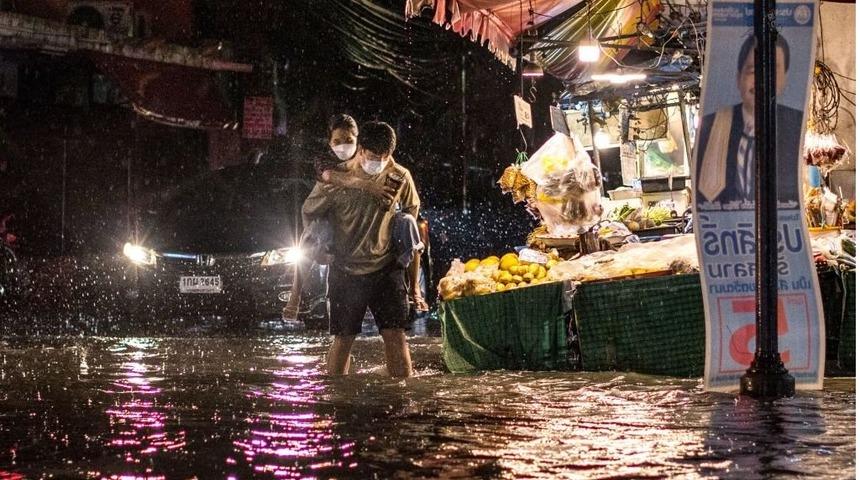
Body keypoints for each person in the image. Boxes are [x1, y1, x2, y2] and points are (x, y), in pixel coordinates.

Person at [302, 121, 419, 377]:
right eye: (374, 156)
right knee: (343, 339)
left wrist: (413, 278)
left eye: (386, 157)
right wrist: (317, 250)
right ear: (361, 149)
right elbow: (308, 212)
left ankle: (403, 402)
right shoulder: (338, 179)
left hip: (386, 269)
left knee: (395, 335)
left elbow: (412, 215)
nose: (380, 162)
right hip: (345, 269)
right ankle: (336, 399)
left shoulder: (400, 175)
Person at [282, 115, 427, 321]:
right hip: (336, 235)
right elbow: (326, 182)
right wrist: (318, 250)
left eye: (349, 140)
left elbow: (412, 206)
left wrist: (393, 227)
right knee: (313, 233)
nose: (343, 146)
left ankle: (415, 292)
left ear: (358, 141)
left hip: (379, 254)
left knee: (408, 223)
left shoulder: (397, 173)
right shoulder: (327, 163)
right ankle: (295, 295)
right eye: (337, 141)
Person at [696, 34, 804, 205]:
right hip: (729, 229)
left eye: (772, 72)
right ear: (739, 78)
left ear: (784, 78)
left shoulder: (798, 126)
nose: (762, 82)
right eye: (754, 71)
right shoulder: (710, 126)